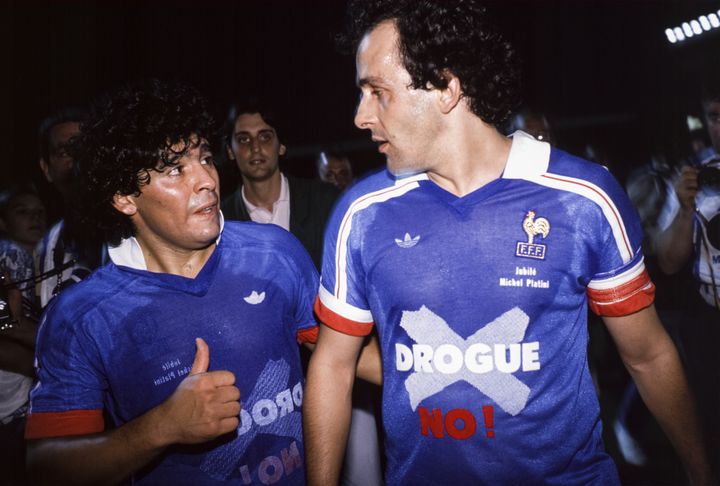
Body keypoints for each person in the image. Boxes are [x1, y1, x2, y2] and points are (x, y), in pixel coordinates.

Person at [303, 1, 712, 484]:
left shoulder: (582, 198)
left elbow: (647, 354)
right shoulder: (361, 214)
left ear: (447, 88)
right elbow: (332, 366)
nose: (360, 116)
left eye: (378, 92)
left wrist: (703, 471)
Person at [25, 79, 379, 485]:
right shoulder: (82, 317)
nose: (207, 179)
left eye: (205, 158)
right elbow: (46, 467)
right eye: (176, 169)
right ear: (124, 196)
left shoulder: (274, 254)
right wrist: (161, 428)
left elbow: (349, 356)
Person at [656, 77, 720, 475]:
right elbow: (666, 261)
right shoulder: (695, 179)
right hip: (708, 320)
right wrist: (683, 209)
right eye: (714, 117)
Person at [222, 101, 339, 270]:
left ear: (281, 146)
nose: (255, 147)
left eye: (265, 137)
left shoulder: (325, 201)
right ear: (230, 151)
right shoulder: (221, 223)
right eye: (244, 139)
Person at [35, 106, 106, 309]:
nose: (77, 159)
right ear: (46, 169)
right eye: (65, 151)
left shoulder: (133, 228)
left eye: (85, 148)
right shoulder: (48, 245)